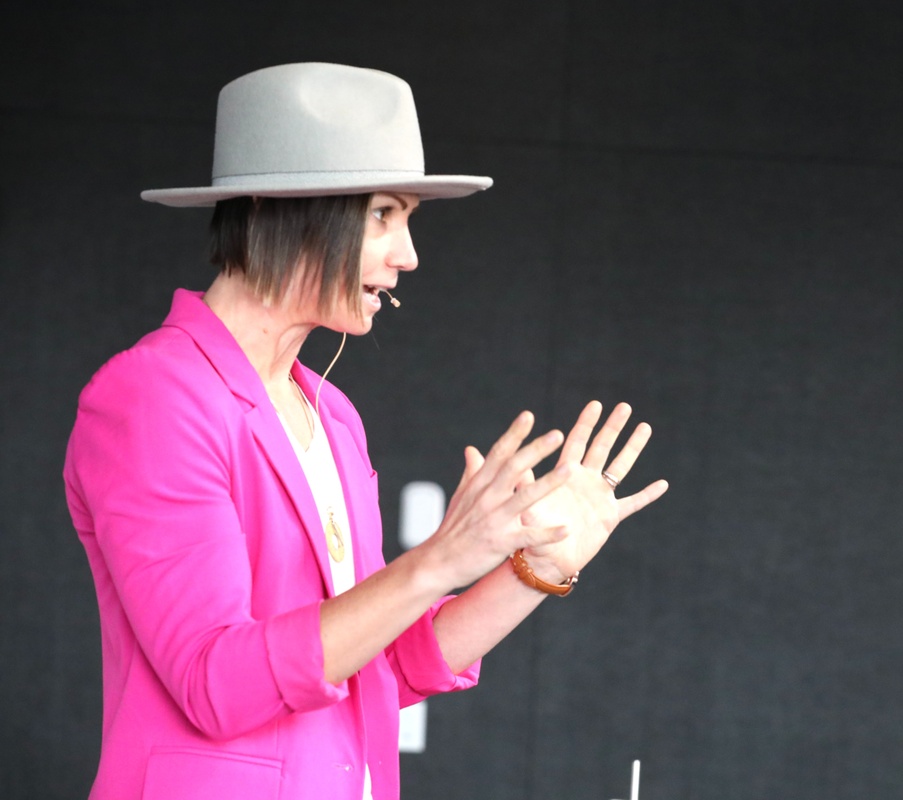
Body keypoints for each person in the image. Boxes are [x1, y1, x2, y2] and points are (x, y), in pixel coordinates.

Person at [63, 62, 668, 800]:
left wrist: (532, 570)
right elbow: (215, 683)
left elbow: (375, 669)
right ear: (281, 210)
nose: (408, 254)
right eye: (383, 213)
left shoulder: (333, 415)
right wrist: (436, 562)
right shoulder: (154, 396)